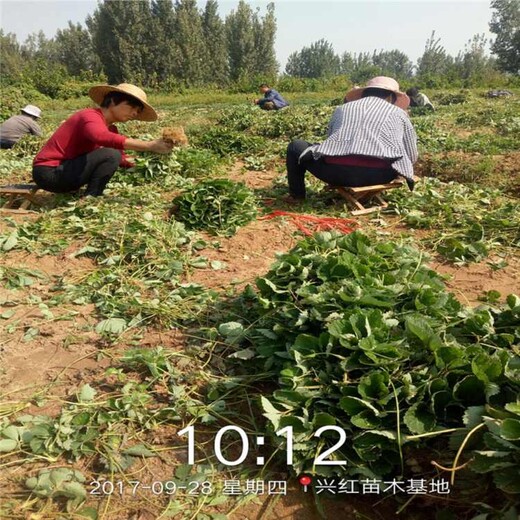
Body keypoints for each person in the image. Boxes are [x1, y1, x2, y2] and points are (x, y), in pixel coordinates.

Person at [286, 76, 418, 200]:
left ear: (365, 93)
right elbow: (411, 155)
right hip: (379, 175)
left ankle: (297, 196)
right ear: (391, 96)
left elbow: (329, 143)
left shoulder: (341, 109)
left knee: (295, 146)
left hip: (334, 173)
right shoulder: (400, 114)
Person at [32, 83, 173, 197]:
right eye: (131, 106)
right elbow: (100, 137)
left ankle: (91, 195)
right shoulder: (89, 116)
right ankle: (92, 197)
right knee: (111, 153)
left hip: (68, 172)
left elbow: (121, 159)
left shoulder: (111, 130)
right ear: (112, 102)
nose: (135, 113)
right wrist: (149, 145)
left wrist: (149, 162)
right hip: (49, 173)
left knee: (113, 154)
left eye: (138, 110)